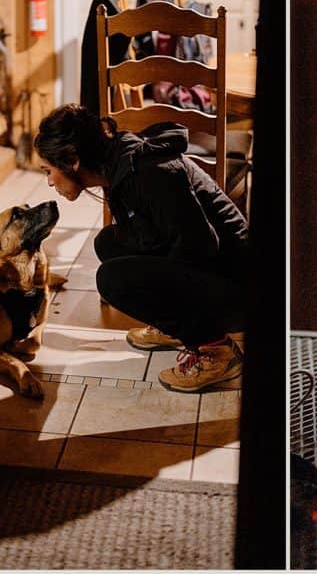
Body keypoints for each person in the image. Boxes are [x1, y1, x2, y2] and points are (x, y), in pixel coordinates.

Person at [34, 103, 249, 393]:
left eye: (49, 170)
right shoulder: (118, 164)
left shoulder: (148, 173)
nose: (49, 182)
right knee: (108, 243)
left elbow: (201, 246)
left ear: (72, 160)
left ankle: (217, 352)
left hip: (239, 288)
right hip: (216, 269)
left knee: (111, 280)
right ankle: (177, 329)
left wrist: (171, 302)